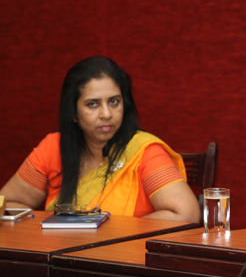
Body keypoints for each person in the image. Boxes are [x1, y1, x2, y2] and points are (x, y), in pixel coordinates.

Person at [0, 56, 201, 223]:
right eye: (93, 104)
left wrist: (105, 232)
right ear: (74, 112)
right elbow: (7, 204)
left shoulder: (143, 152)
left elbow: (186, 214)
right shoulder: (54, 148)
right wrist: (50, 230)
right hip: (58, 258)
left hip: (122, 263)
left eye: (114, 101)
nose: (106, 113)